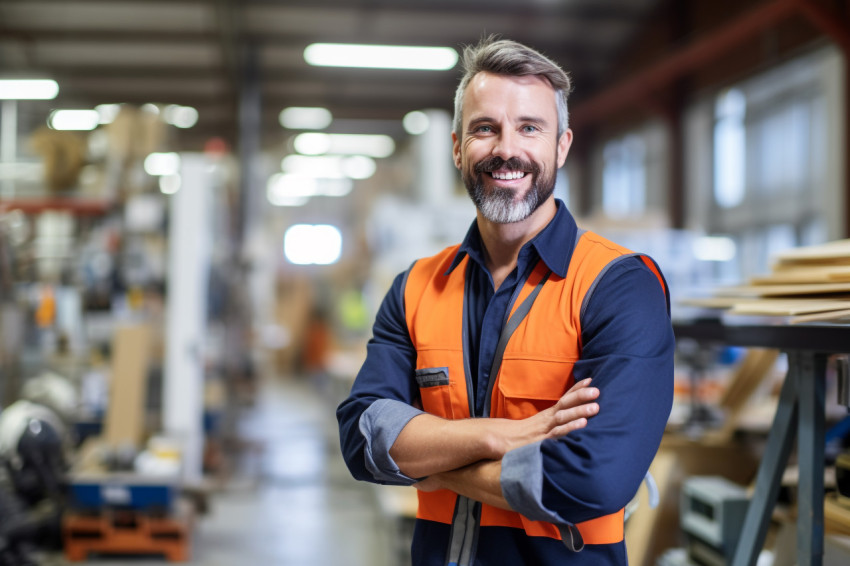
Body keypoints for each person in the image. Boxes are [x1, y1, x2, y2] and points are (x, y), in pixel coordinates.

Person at [337, 36, 674, 565]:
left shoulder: (618, 285)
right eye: (485, 128)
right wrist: (505, 435)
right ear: (457, 147)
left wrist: (431, 458)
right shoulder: (415, 288)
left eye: (529, 128)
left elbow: (593, 478)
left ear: (561, 145)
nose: (506, 149)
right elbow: (362, 438)